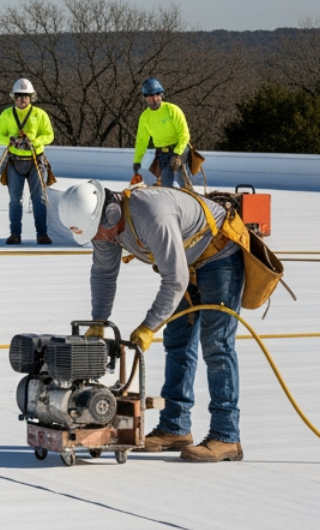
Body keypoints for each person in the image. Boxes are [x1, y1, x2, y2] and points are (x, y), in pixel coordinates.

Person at [55, 180, 245, 462]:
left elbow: (175, 279)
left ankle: (226, 436)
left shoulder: (152, 215)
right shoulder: (105, 230)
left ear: (111, 215)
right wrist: (99, 320)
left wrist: (148, 326)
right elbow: (104, 275)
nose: (101, 241)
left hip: (219, 256)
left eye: (99, 234)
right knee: (178, 341)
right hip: (187, 262)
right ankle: (175, 427)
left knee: (216, 344)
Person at [0, 78, 55, 245]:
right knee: (15, 200)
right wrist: (10, 140)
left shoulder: (39, 114)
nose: (22, 99)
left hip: (36, 161)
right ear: (14, 97)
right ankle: (15, 234)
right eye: (19, 96)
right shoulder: (6, 115)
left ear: (31, 97)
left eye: (25, 96)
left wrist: (33, 142)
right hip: (14, 161)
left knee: (39, 199)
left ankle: (42, 233)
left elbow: (49, 135)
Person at [133, 78, 192, 188]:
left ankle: (190, 198)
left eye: (155, 95)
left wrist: (177, 154)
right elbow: (141, 141)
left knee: (183, 182)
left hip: (179, 150)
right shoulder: (145, 117)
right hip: (162, 154)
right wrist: (137, 160)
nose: (152, 99)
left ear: (161, 95)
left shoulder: (172, 110)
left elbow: (184, 134)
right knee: (166, 185)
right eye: (148, 96)